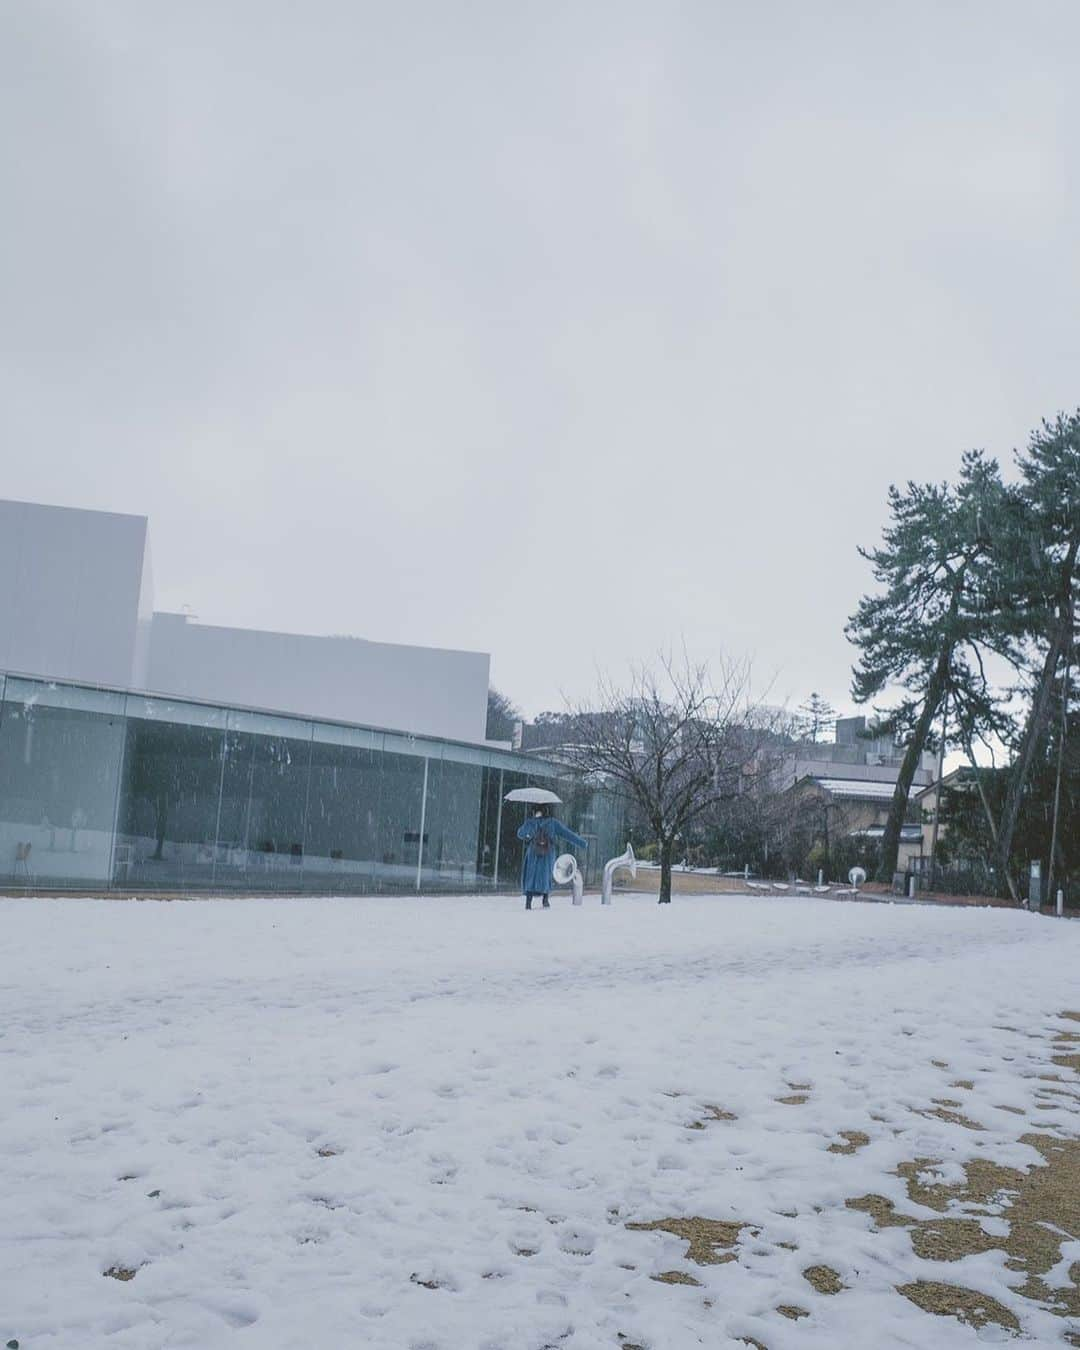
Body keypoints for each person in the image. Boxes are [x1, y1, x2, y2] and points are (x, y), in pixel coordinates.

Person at [516, 806, 587, 909]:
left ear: (535, 811)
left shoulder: (531, 822)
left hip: (533, 853)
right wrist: (582, 843)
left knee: (531, 875)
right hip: (548, 853)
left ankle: (528, 901)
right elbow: (567, 834)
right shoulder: (553, 823)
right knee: (546, 875)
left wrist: (530, 832)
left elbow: (520, 834)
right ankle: (545, 899)